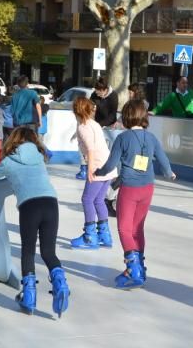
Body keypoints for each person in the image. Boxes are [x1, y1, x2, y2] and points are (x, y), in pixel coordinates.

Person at [0, 126, 69, 317]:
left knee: (28, 250)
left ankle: (29, 296)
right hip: (51, 203)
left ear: (14, 140)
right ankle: (60, 283)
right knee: (48, 252)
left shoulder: (10, 161)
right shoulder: (39, 158)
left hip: (30, 206)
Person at [94, 99, 175, 289]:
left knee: (124, 229)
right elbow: (163, 160)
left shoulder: (122, 138)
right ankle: (141, 266)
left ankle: (133, 268)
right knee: (137, 229)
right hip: (148, 188)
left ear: (128, 117)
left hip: (129, 188)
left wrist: (98, 172)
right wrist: (169, 172)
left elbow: (110, 165)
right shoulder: (152, 137)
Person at [69, 97, 117, 250]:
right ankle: (104, 235)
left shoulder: (84, 126)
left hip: (97, 167)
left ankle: (90, 236)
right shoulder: (93, 124)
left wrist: (90, 168)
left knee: (87, 199)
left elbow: (90, 148)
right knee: (99, 200)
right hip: (108, 166)